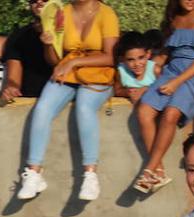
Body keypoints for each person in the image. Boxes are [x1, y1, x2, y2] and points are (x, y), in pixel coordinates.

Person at [15, 0, 120, 202]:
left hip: (98, 71)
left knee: (84, 106)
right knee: (43, 107)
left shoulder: (106, 14)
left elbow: (111, 57)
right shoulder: (61, 13)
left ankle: (90, 174)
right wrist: (47, 45)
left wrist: (74, 61)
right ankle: (34, 172)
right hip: (67, 72)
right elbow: (54, 60)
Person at [133, 0, 194, 194]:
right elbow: (164, 55)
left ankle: (149, 170)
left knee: (170, 113)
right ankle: (159, 171)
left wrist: (176, 82)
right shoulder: (174, 19)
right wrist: (144, 76)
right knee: (144, 110)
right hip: (171, 71)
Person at [2, 0, 56, 102]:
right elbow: (13, 79)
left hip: (63, 99)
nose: (39, 2)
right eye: (34, 0)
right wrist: (11, 89)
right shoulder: (18, 37)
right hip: (29, 103)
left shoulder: (69, 32)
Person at [116, 30, 160, 103]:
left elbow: (164, 87)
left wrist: (146, 89)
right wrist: (127, 92)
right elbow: (117, 91)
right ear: (122, 59)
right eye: (130, 60)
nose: (136, 64)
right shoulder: (121, 71)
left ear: (148, 54)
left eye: (141, 58)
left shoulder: (155, 70)